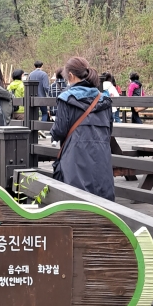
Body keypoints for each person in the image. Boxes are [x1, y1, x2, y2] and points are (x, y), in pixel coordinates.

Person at [51, 57, 114, 200]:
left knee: (76, 202)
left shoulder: (66, 98)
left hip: (75, 157)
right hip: (101, 159)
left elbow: (59, 131)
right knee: (102, 203)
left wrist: (52, 132)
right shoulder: (104, 99)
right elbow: (109, 130)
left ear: (71, 76)